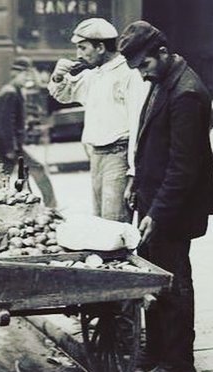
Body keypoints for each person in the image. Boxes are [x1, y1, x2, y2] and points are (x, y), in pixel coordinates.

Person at [118, 21, 213, 372]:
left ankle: (178, 363)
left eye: (144, 65)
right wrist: (136, 183)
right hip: (154, 201)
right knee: (152, 279)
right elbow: (152, 141)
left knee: (173, 283)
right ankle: (155, 349)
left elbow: (183, 167)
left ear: (162, 52)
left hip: (173, 209)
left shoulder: (186, 92)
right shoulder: (163, 80)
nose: (142, 74)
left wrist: (157, 213)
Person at [47, 17, 149, 222]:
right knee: (100, 222)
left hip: (118, 154)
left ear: (101, 47)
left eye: (83, 48)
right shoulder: (95, 74)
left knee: (114, 223)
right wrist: (58, 77)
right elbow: (64, 94)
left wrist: (134, 170)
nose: (79, 54)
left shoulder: (128, 74)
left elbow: (138, 123)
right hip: (97, 155)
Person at [0, 57, 57, 208]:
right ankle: (51, 206)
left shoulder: (16, 91)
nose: (27, 78)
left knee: (1, 178)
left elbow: (14, 118)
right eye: (24, 75)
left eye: (28, 75)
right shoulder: (10, 93)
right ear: (15, 74)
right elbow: (5, 123)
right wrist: (10, 148)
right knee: (35, 169)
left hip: (10, 145)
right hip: (10, 146)